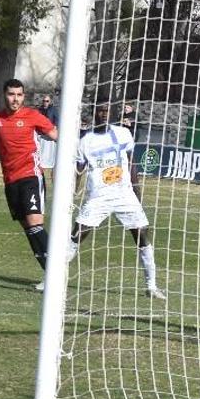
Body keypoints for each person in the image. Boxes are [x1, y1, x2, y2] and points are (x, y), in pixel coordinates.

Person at [0, 79, 59, 286]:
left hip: (31, 176)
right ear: (4, 95)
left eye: (19, 95)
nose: (15, 99)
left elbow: (56, 135)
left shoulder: (33, 116)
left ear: (23, 96)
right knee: (28, 229)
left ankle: (57, 271)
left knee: (35, 224)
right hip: (10, 181)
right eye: (11, 94)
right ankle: (49, 275)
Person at [68, 105, 164, 299]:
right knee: (76, 236)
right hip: (98, 196)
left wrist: (137, 192)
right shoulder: (85, 141)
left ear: (113, 113)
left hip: (123, 194)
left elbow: (131, 164)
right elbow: (78, 170)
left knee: (143, 235)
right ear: (95, 112)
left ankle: (151, 287)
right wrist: (72, 193)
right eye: (100, 110)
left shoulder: (123, 134)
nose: (104, 113)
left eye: (107, 110)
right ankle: (51, 279)